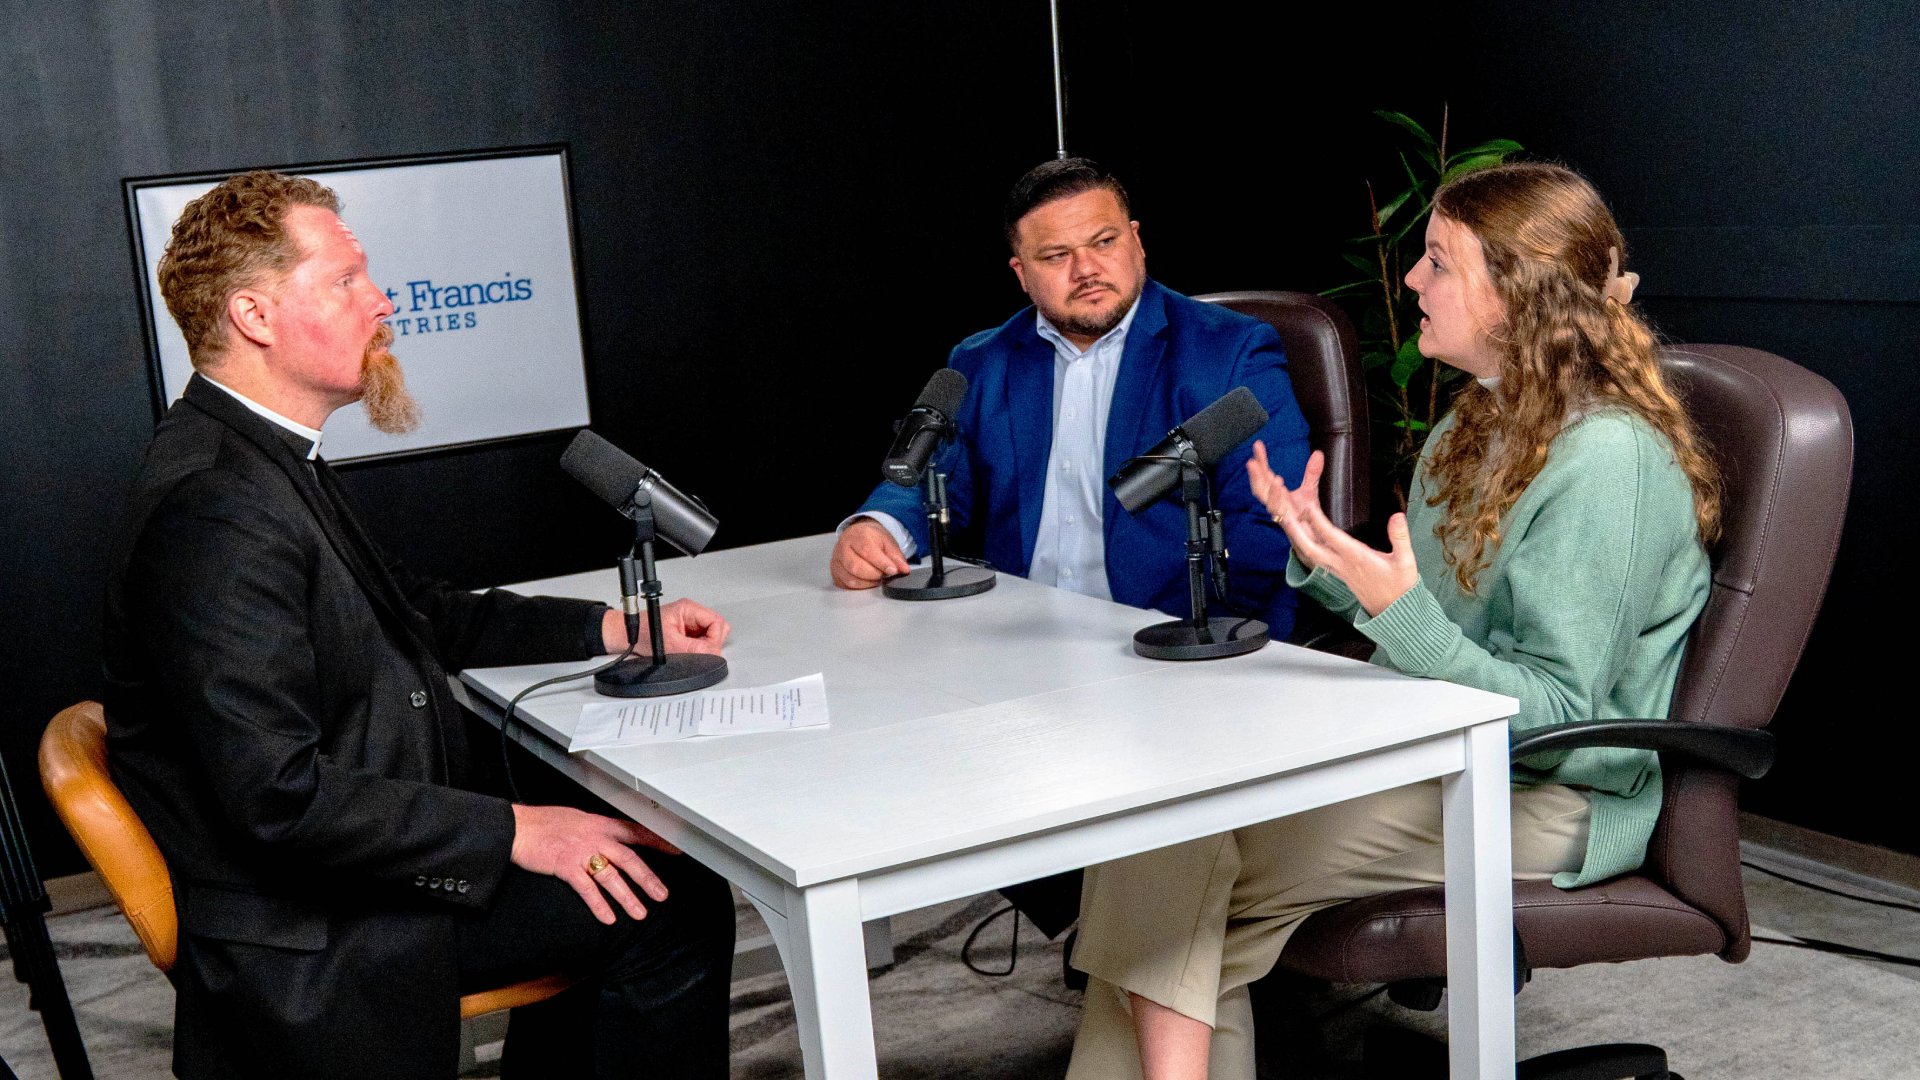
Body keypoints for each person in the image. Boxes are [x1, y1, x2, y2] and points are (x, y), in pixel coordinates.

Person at [1066, 162, 1722, 1080]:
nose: (1411, 281)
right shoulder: (1477, 423)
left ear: (1517, 294)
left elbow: (1557, 713)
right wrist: (1332, 561)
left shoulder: (1607, 460)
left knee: (1171, 870)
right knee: (1164, 864)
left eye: (1439, 263)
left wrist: (1398, 612)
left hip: (1551, 795)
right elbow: (1436, 625)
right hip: (1441, 760)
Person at [102, 170, 737, 1079]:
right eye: (346, 281)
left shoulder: (268, 461)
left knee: (630, 860)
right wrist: (516, 832)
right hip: (309, 932)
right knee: (665, 903)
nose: (382, 301)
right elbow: (275, 799)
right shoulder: (216, 507)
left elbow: (424, 614)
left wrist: (617, 630)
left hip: (351, 861)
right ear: (254, 316)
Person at [829, 157, 1311, 636]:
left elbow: (1268, 518)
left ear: (1137, 241)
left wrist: (1190, 632)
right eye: (1057, 255)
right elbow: (931, 476)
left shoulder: (1231, 351)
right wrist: (878, 526)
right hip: (1016, 636)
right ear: (1021, 273)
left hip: (1175, 636)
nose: (1086, 269)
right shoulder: (981, 360)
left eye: (1104, 242)